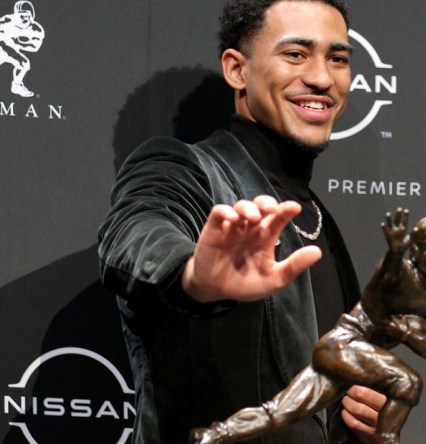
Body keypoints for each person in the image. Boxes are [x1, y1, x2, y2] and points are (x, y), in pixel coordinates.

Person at [98, 1, 386, 443]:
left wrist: (366, 425)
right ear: (236, 70)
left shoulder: (318, 217)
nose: (322, 78)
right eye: (295, 54)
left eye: (338, 58)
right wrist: (194, 276)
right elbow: (137, 234)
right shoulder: (183, 167)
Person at [190, 209, 426, 444]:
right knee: (408, 381)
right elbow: (380, 288)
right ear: (415, 250)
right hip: (343, 345)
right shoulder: (397, 272)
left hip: (352, 364)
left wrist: (406, 333)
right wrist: (394, 253)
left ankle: (214, 435)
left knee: (280, 412)